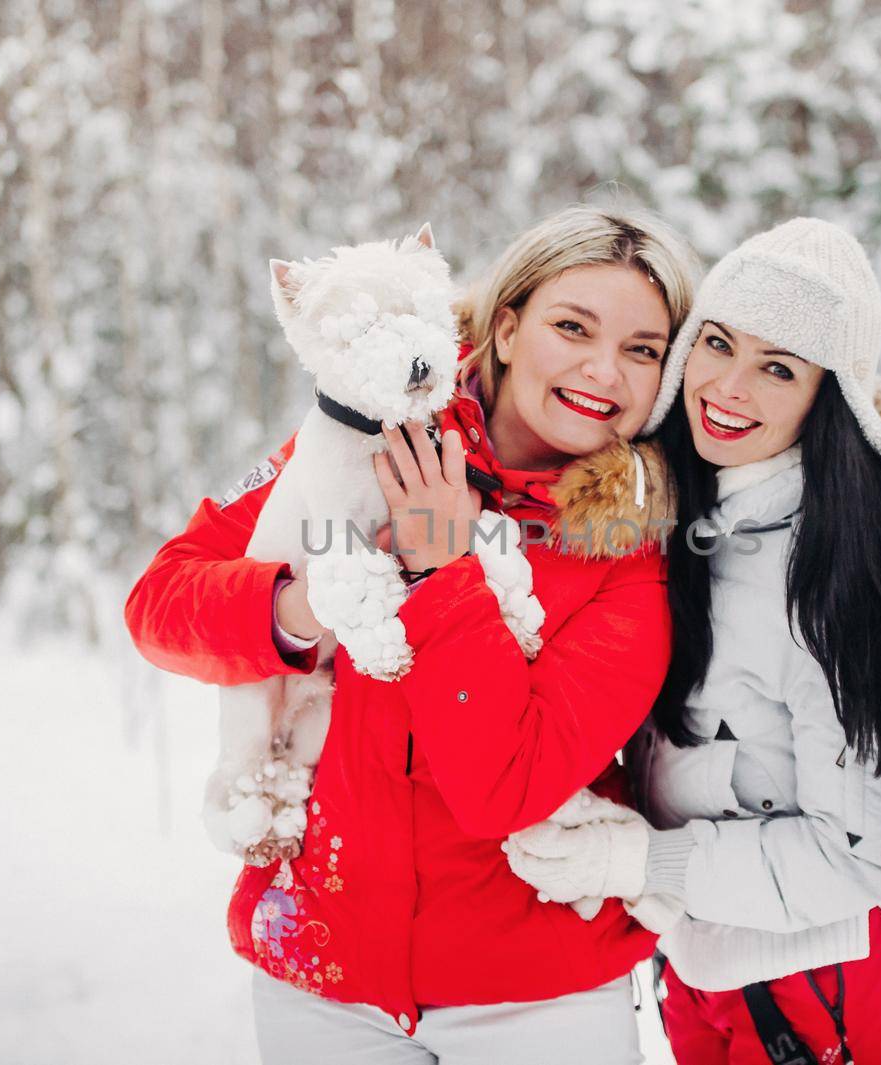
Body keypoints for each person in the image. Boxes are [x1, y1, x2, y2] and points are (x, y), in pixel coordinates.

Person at [124, 205, 696, 1064]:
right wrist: (307, 605)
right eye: (572, 326)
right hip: (323, 979)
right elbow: (160, 603)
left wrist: (444, 570)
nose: (601, 369)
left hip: (537, 998)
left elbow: (508, 786)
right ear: (504, 328)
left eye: (643, 348)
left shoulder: (631, 556)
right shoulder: (366, 437)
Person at [505, 218, 881, 1064]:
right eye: (716, 343)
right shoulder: (685, 513)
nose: (728, 387)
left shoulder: (852, 565)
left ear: (831, 395)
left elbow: (857, 855)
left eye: (778, 367)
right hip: (702, 955)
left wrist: (640, 860)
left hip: (820, 972)